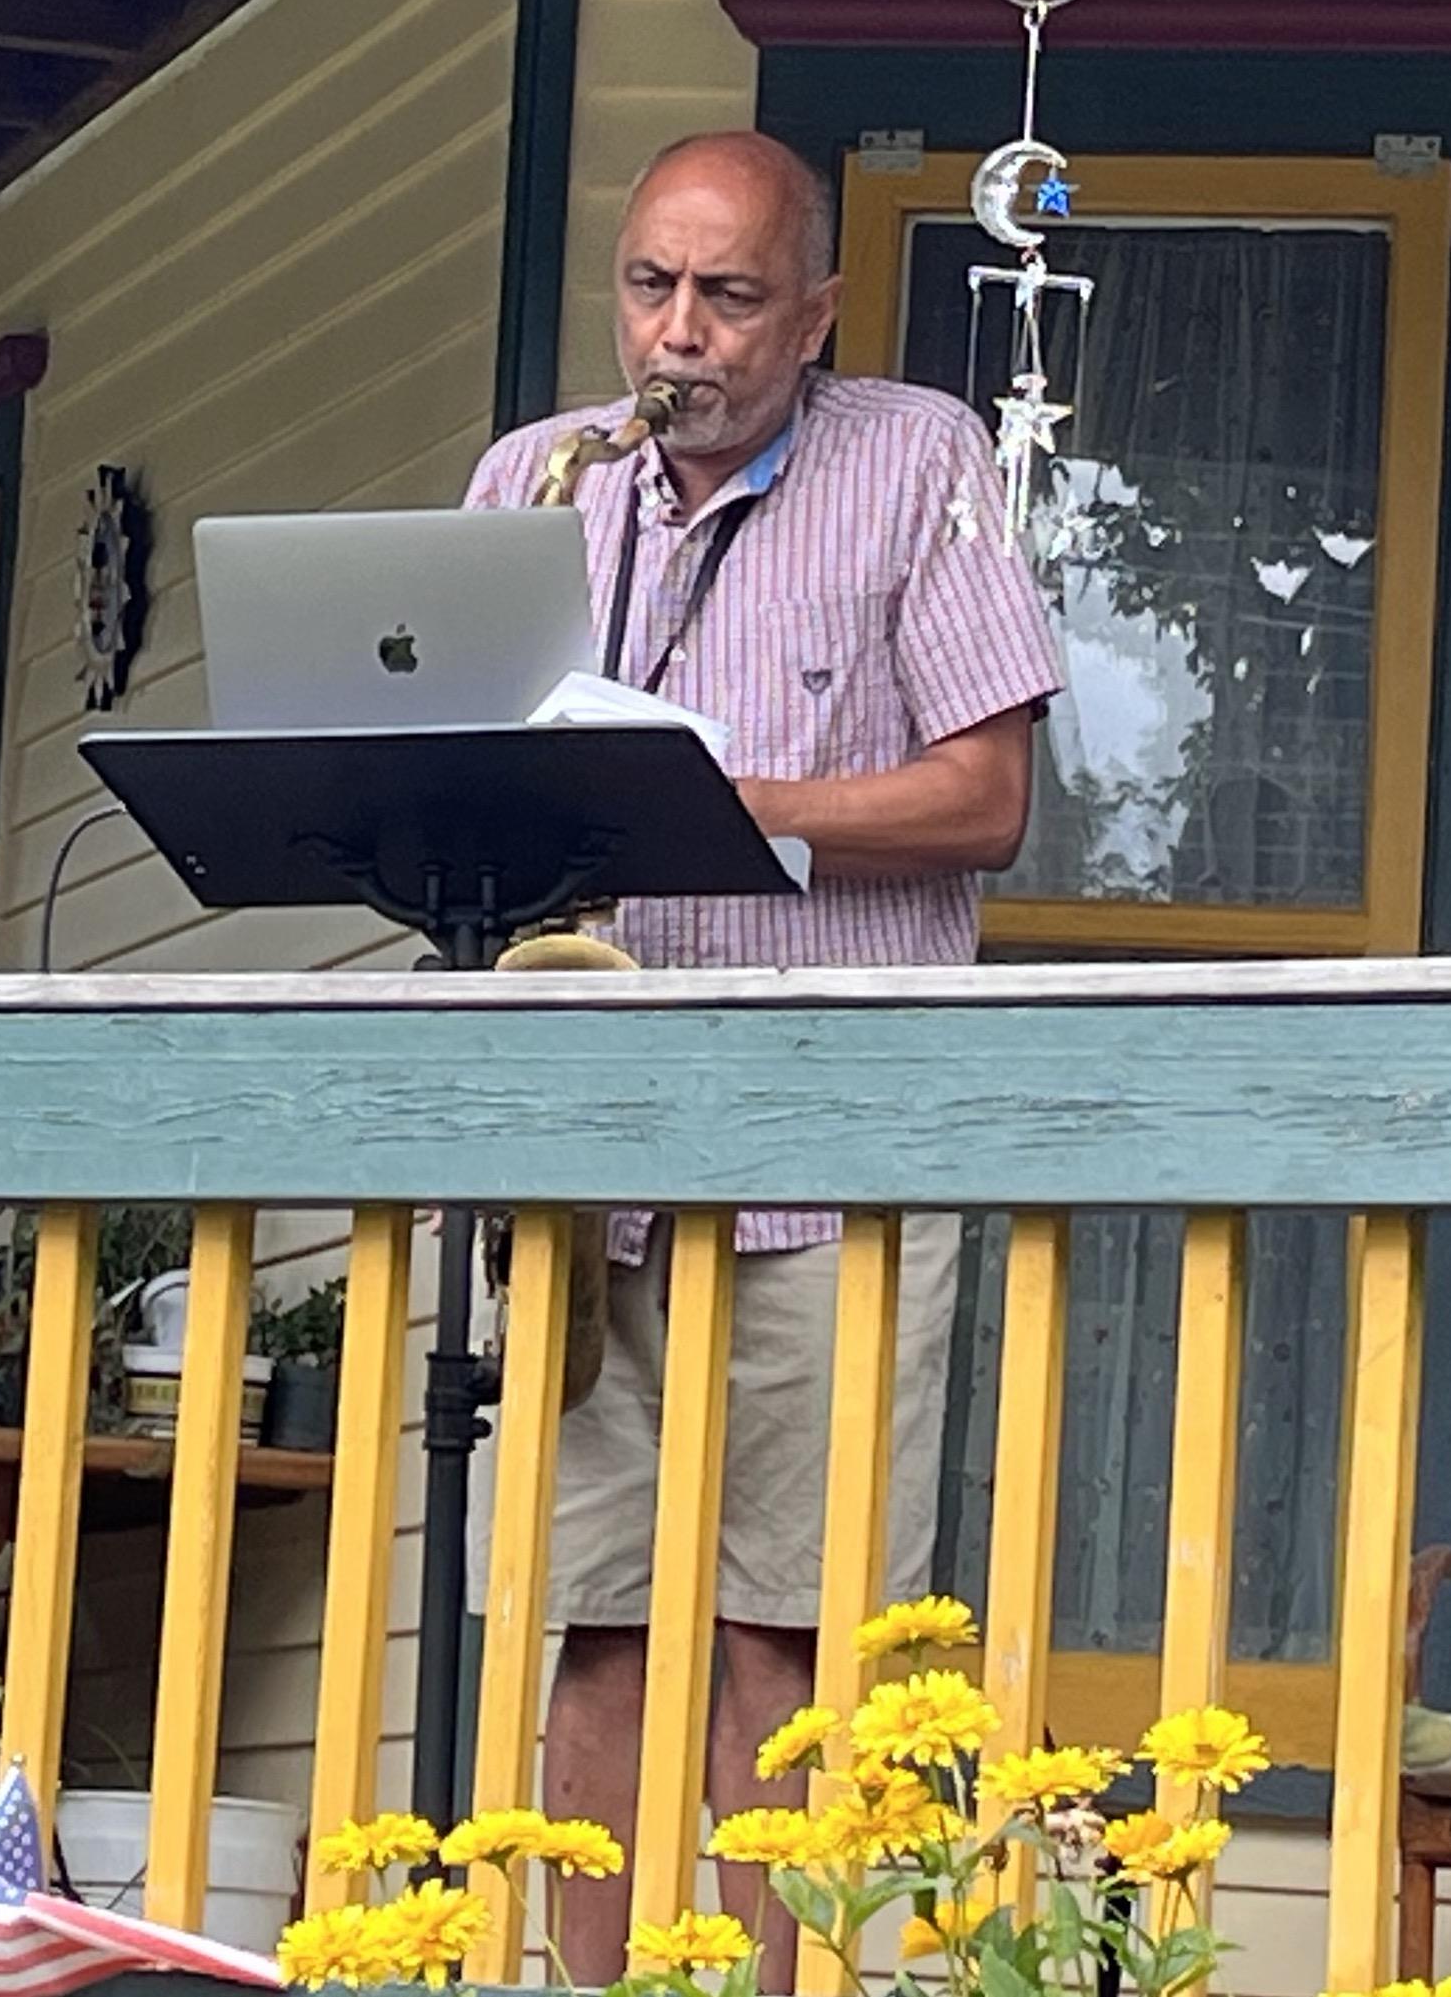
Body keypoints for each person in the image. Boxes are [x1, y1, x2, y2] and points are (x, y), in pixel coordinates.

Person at [462, 129, 1065, 1981]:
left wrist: (726, 814)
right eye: (652, 285)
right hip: (590, 1163)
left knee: (787, 1640)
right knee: (603, 1626)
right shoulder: (538, 476)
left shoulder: (917, 460)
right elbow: (460, 754)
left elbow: (988, 798)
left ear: (816, 311)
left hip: (826, 1157)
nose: (682, 333)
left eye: (729, 296)